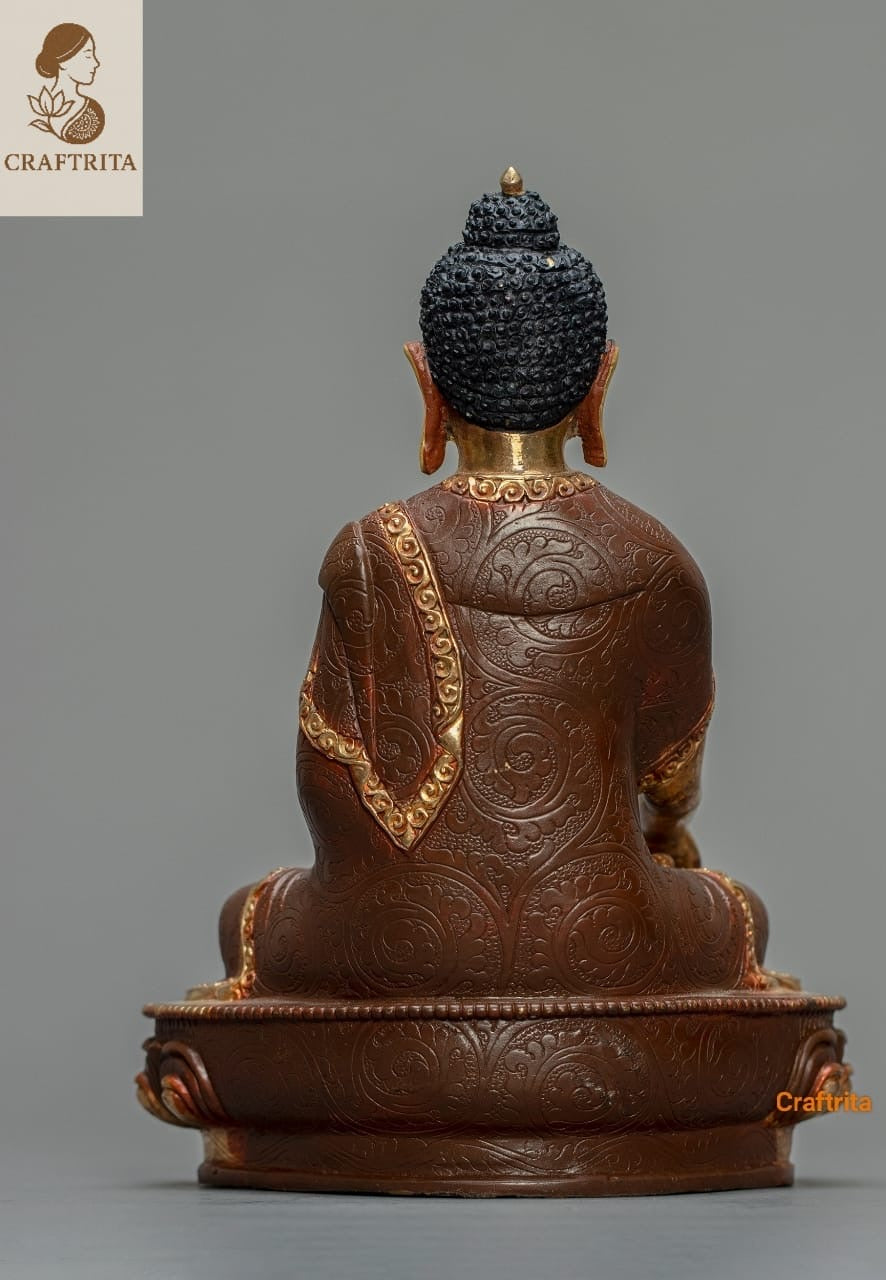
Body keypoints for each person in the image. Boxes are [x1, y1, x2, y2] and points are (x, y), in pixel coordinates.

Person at [203, 168, 771, 1002]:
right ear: (600, 384)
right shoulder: (658, 559)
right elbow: (669, 782)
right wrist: (668, 841)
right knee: (742, 913)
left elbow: (330, 798)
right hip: (605, 937)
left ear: (426, 383)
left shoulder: (367, 552)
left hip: (392, 944)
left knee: (244, 919)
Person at [33, 23, 104, 145]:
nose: (96, 63)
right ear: (63, 62)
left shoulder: (92, 109)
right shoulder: (47, 108)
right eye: (88, 56)